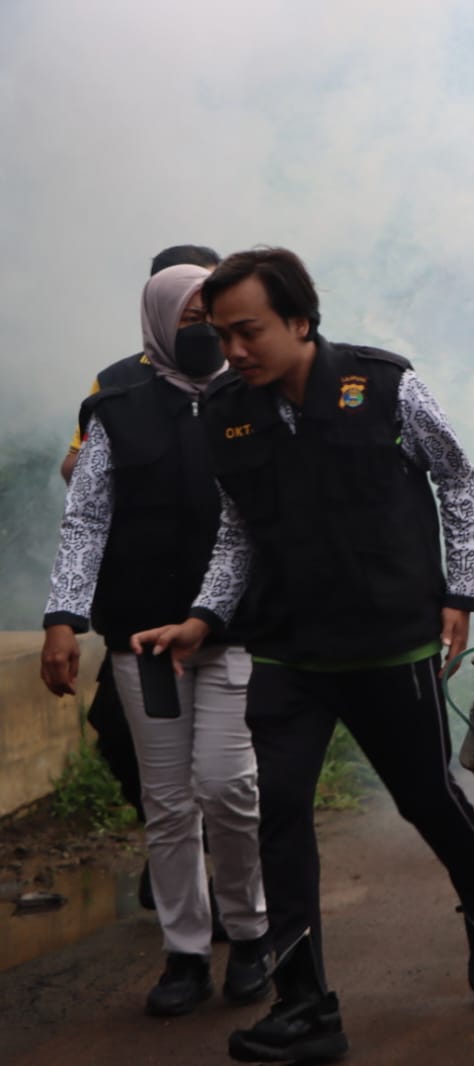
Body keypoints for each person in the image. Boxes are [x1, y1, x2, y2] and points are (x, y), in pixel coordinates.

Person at [131, 247, 474, 1064]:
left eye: (249, 332)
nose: (233, 351)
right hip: (285, 651)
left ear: (301, 320)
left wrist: (460, 591)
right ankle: (306, 1005)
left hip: (388, 642)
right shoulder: (225, 410)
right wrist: (203, 618)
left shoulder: (384, 386)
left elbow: (459, 482)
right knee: (278, 815)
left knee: (423, 796)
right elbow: (239, 531)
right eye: (219, 334)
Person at [40, 263, 270, 1017]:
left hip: (234, 629)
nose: (205, 330)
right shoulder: (116, 407)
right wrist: (62, 620)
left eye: (216, 315)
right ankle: (183, 954)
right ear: (159, 318)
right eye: (191, 315)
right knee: (169, 802)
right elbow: (87, 519)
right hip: (141, 635)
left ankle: (251, 933)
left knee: (228, 787)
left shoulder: (254, 394)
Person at [61, 244, 223, 913]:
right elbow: (78, 480)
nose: (202, 326)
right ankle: (175, 853)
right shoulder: (115, 386)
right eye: (187, 311)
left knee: (233, 767)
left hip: (231, 604)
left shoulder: (244, 373)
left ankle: (234, 887)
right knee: (121, 736)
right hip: (143, 601)